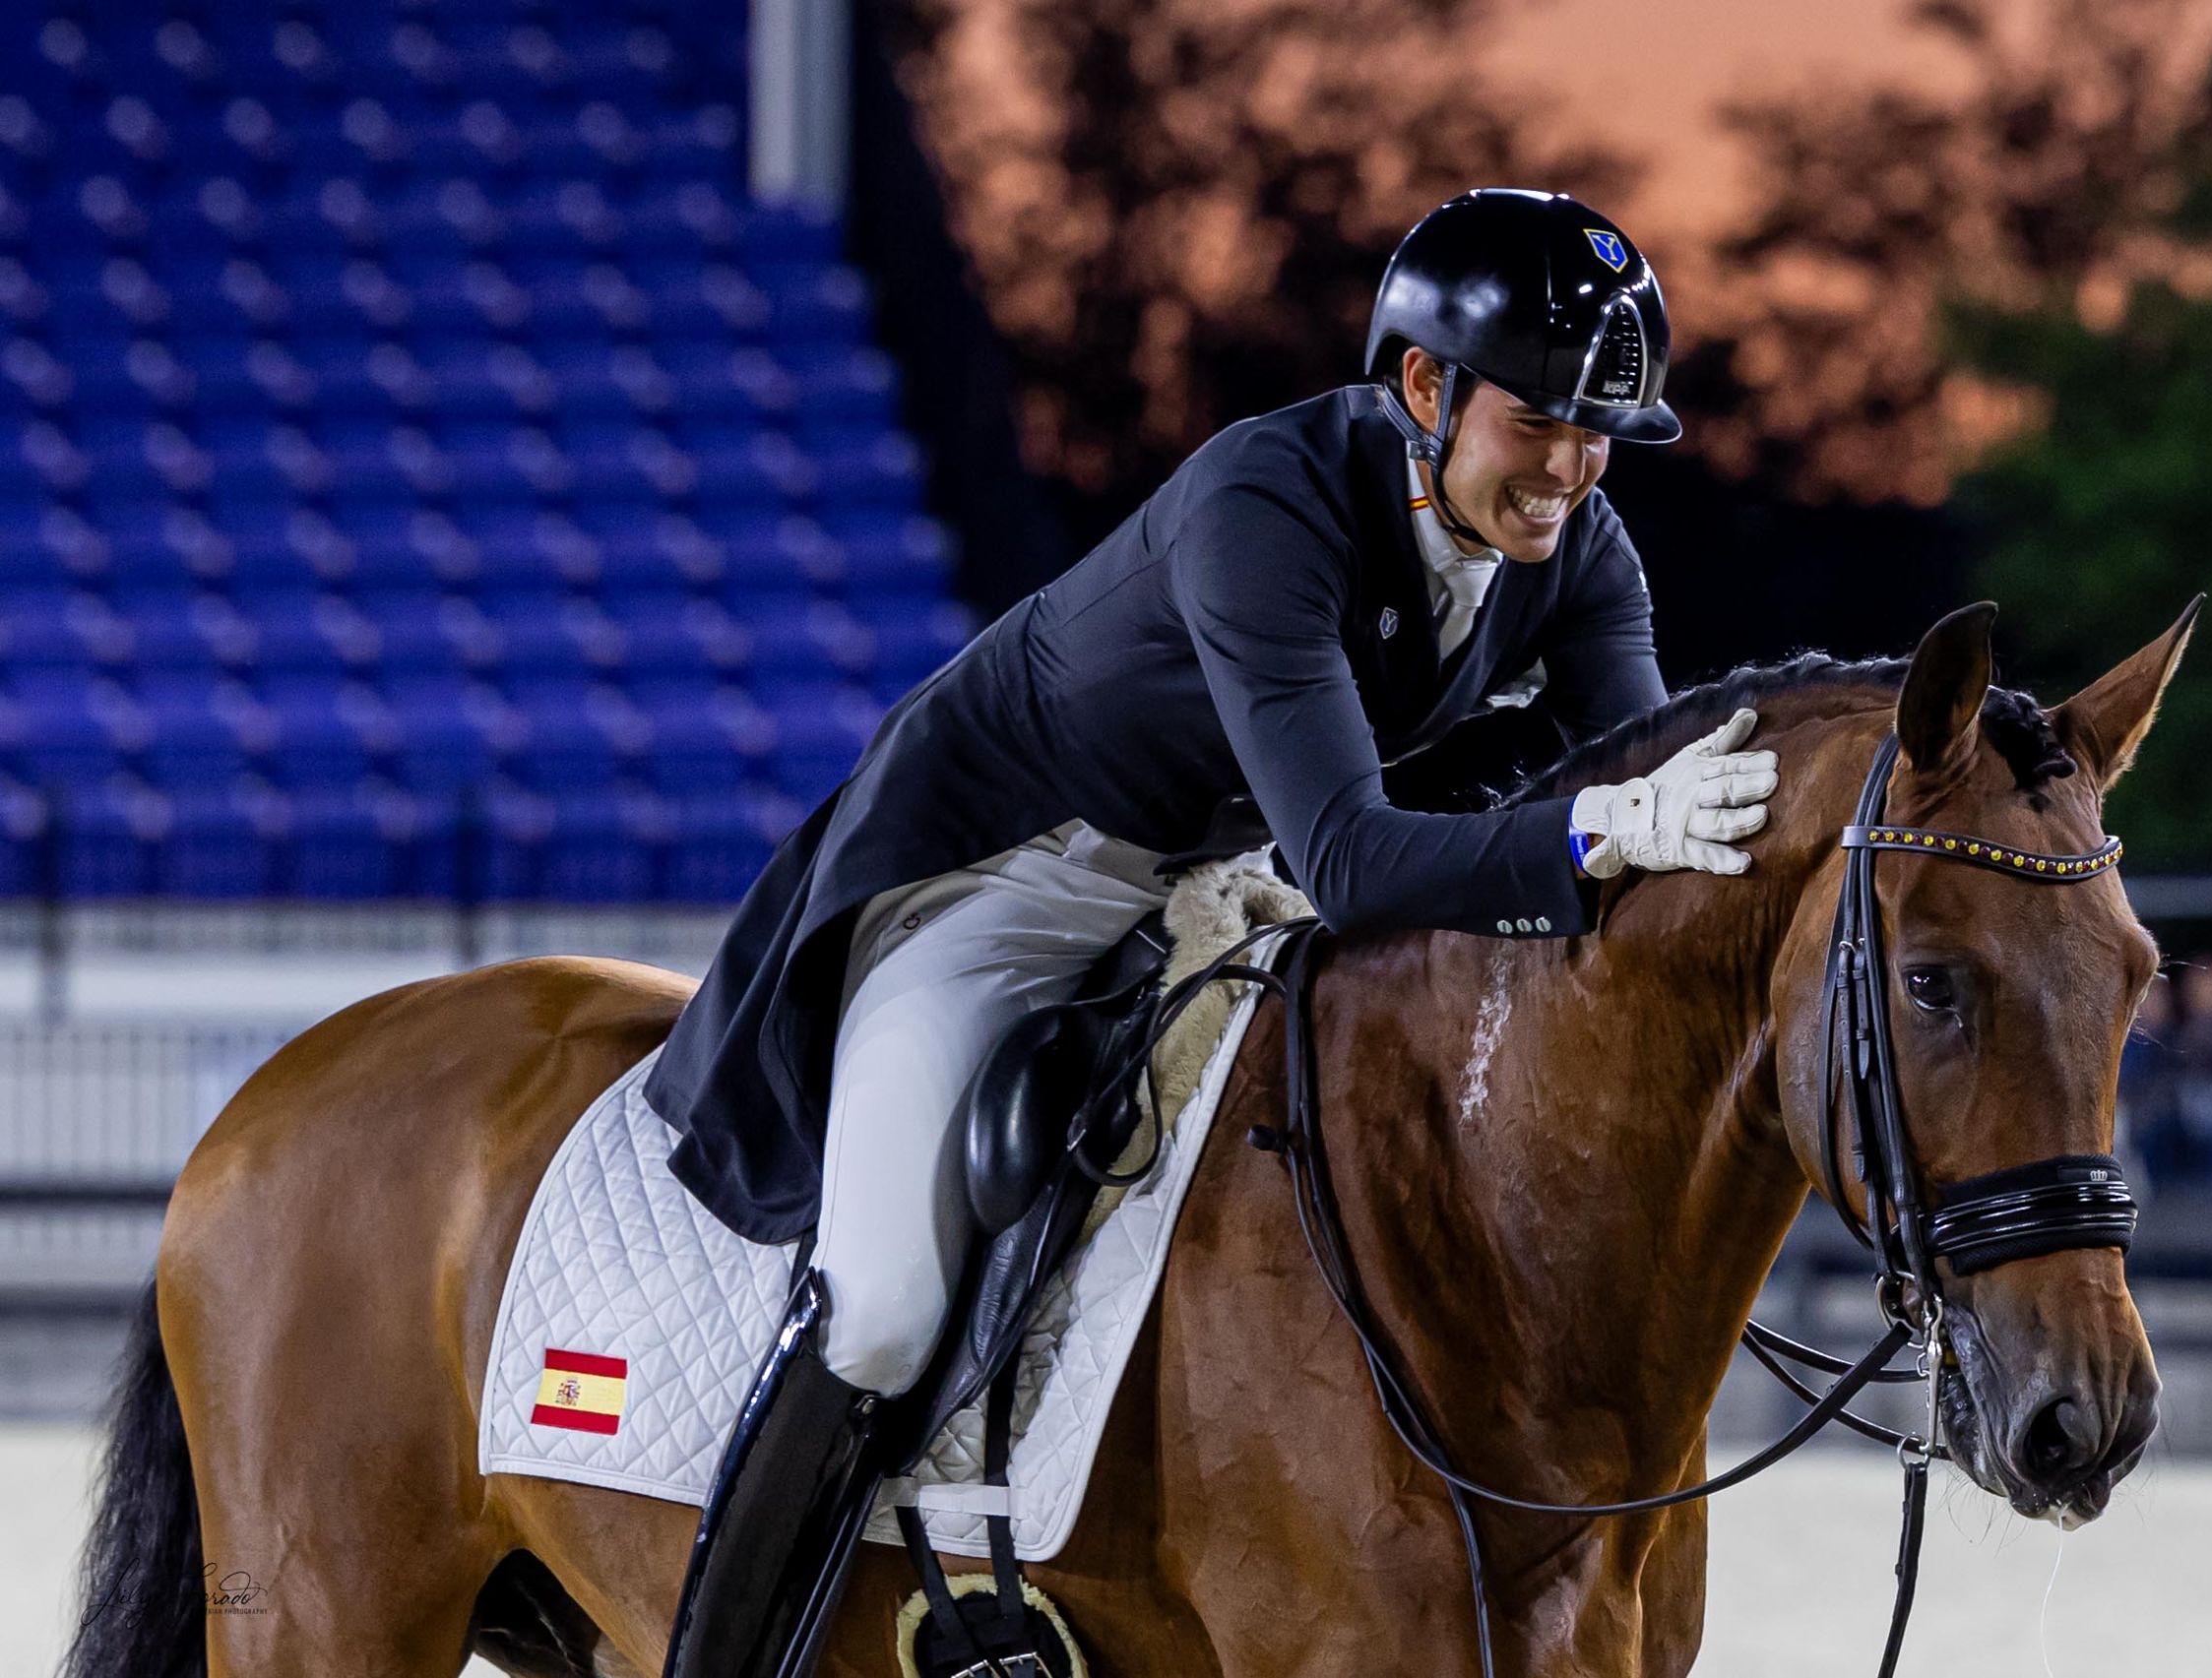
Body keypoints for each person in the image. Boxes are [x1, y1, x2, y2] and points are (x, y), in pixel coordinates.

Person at [652, 187, 1783, 1676]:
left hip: (1223, 885)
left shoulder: (1576, 545)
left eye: (1598, 433)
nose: (1570, 467)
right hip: (1009, 875)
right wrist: (1592, 830)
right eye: (1542, 420)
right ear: (1426, 387)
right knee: (880, 1302)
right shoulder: (1269, 504)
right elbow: (1366, 855)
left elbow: (1641, 804)